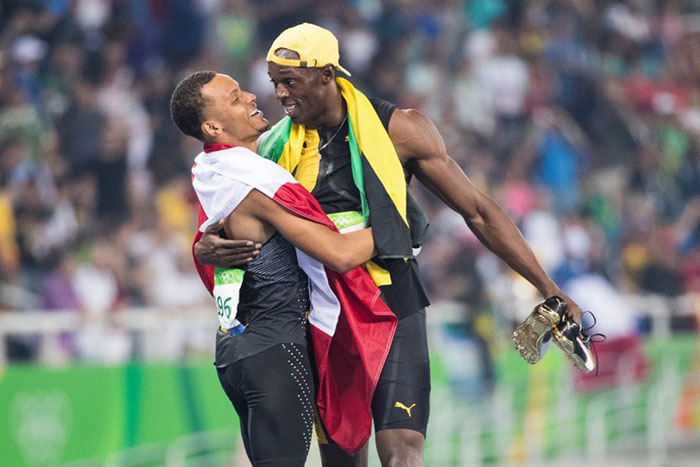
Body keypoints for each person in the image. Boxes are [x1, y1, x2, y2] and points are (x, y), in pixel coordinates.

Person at [194, 23, 589, 466]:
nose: (281, 95)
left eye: (291, 82)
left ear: (327, 74)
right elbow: (227, 222)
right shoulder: (270, 147)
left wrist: (546, 286)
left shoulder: (401, 130)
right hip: (325, 313)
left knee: (402, 453)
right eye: (275, 83)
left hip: (394, 302)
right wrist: (203, 249)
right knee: (344, 461)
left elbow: (477, 210)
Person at [170, 70, 398, 466]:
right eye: (235, 97)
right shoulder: (254, 184)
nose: (250, 97)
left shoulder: (214, 172)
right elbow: (340, 254)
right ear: (212, 125)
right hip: (275, 348)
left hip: (237, 351)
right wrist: (398, 225)